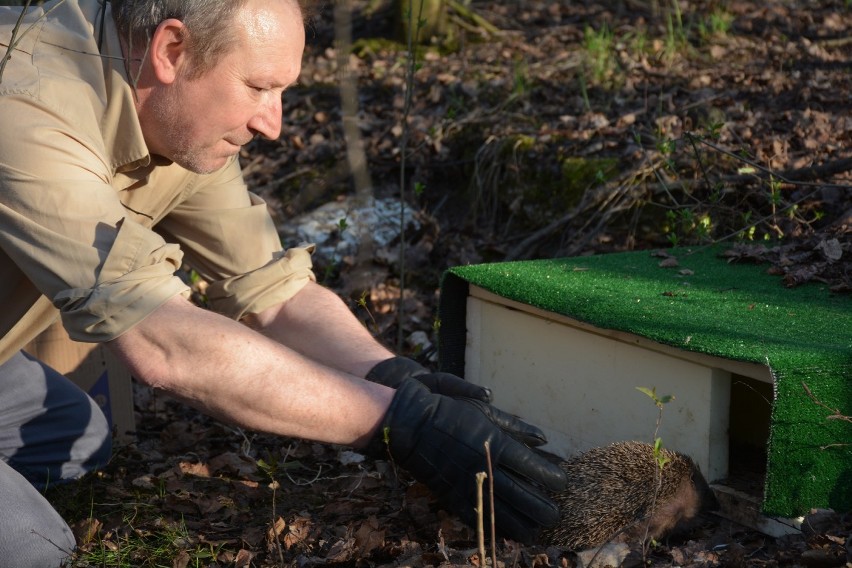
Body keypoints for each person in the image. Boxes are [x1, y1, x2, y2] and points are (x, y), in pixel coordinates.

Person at [0, 0, 567, 565]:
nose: (272, 124)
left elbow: (269, 288)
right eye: (258, 87)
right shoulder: (25, 102)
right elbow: (163, 343)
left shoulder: (173, 114)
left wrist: (396, 380)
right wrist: (398, 425)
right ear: (172, 50)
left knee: (75, 440)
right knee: (34, 545)